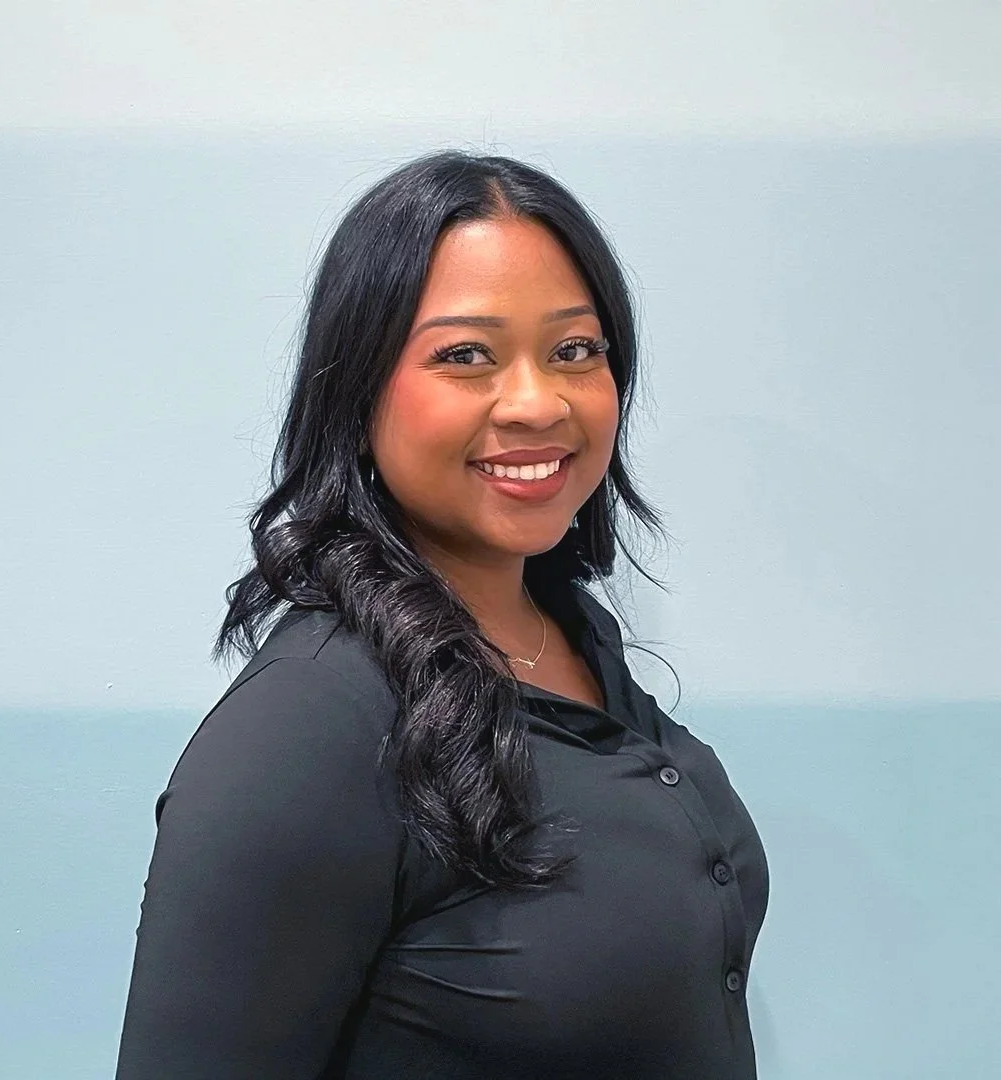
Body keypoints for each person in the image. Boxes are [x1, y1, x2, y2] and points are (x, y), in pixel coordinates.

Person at [113, 150, 769, 1079]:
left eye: (574, 350)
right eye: (466, 356)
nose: (538, 401)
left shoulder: (572, 639)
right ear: (359, 387)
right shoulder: (307, 727)